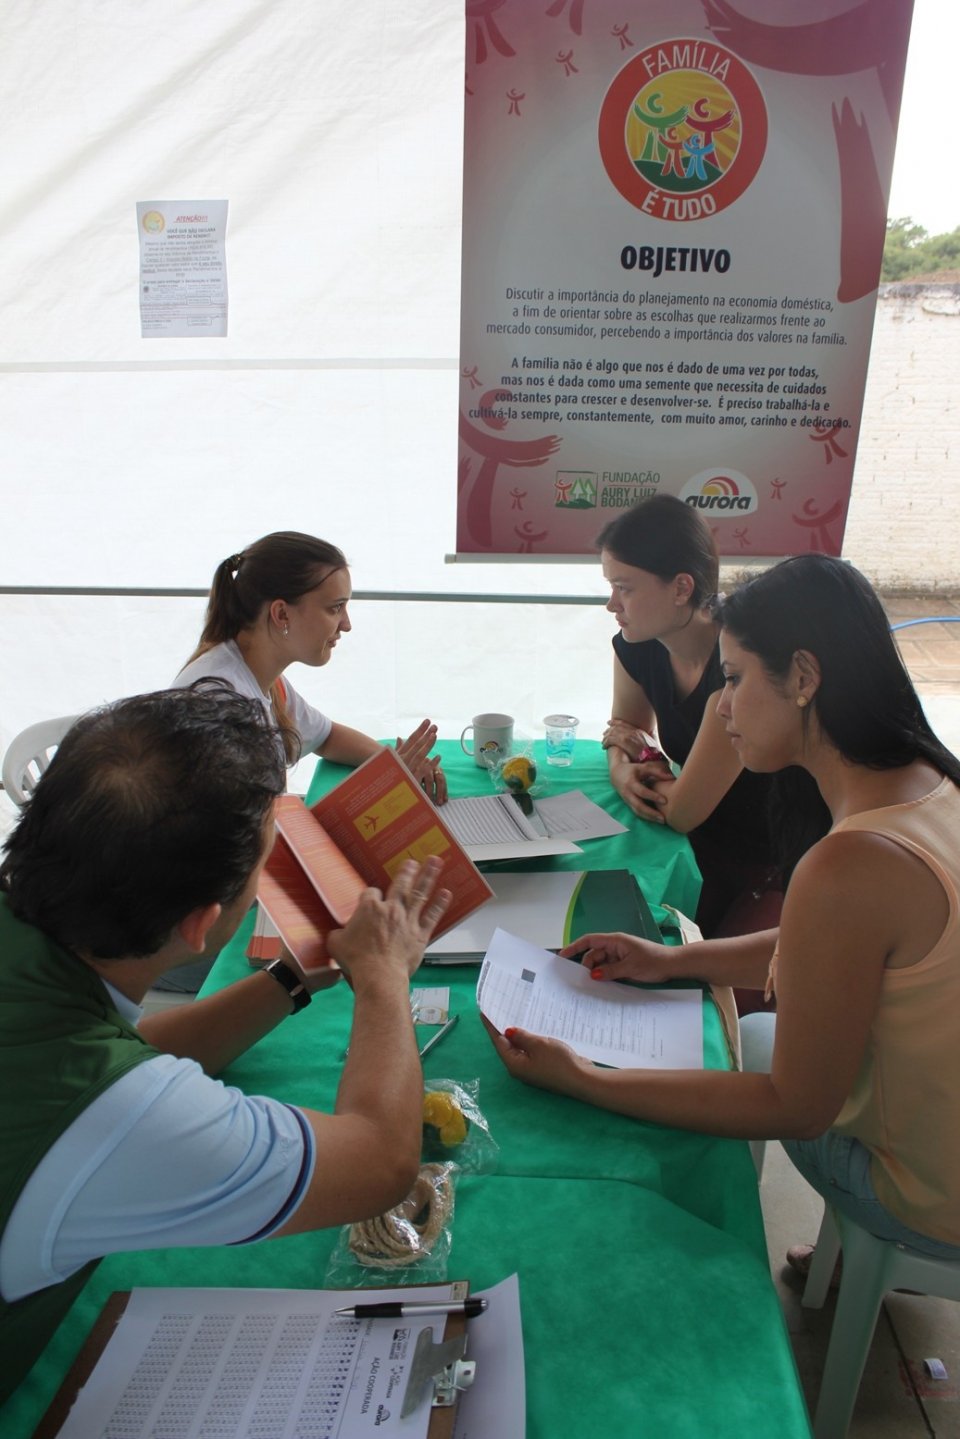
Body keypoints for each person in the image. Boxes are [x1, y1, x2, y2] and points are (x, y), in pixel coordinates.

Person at [487, 555, 960, 1261]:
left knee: (733, 1072)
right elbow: (821, 944)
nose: (723, 707)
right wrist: (670, 958)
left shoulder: (849, 863)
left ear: (803, 677)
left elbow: (794, 1108)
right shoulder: (930, 780)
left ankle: (852, 1249)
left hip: (929, 1194)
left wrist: (584, 1077)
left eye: (734, 678)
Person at [0, 686, 450, 1403]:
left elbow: (129, 1045)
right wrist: (386, 973)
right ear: (204, 925)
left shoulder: (35, 929)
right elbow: (381, 1161)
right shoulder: (119, 1114)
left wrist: (291, 977)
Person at [598, 495, 783, 941]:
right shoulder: (636, 644)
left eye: (625, 588)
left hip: (771, 862)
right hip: (701, 846)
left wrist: (629, 766)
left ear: (682, 588)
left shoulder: (735, 674)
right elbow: (623, 732)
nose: (611, 604)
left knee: (692, 976)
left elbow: (681, 812)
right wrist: (623, 770)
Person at [173, 531, 447, 803]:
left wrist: (394, 766)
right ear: (281, 614)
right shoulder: (221, 703)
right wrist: (385, 784)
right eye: (335, 608)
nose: (346, 624)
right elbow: (245, 837)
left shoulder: (262, 677)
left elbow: (327, 735)